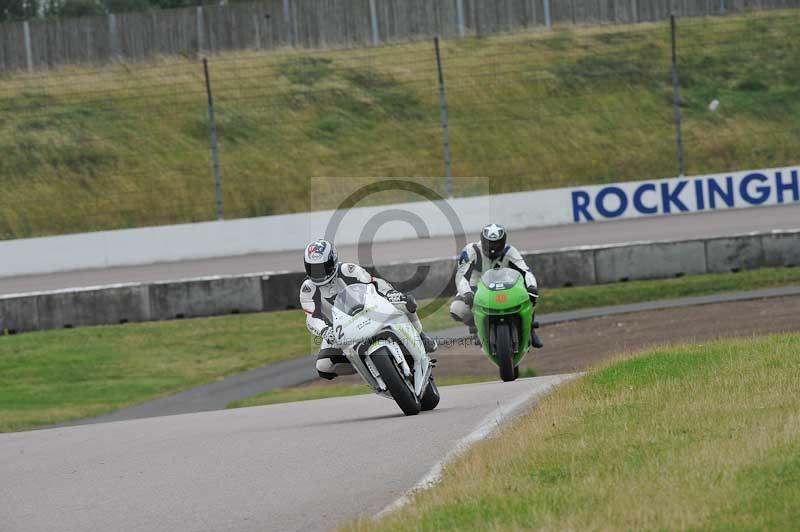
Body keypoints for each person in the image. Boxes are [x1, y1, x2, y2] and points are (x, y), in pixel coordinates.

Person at [300, 239, 438, 380]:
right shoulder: (307, 289)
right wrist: (325, 331)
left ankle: (421, 336)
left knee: (407, 303)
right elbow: (312, 317)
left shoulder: (348, 270)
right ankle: (365, 366)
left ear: (332, 261)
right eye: (313, 268)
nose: (318, 273)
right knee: (323, 366)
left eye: (322, 268)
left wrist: (391, 294)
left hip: (369, 310)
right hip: (338, 330)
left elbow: (374, 283)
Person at [449, 223, 543, 348]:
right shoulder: (471, 251)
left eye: (497, 243)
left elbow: (526, 271)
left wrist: (532, 287)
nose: (493, 247)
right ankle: (476, 326)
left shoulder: (510, 251)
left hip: (506, 287)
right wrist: (466, 292)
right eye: (489, 243)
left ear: (503, 242)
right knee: (457, 309)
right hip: (475, 288)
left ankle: (529, 328)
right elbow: (460, 276)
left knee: (530, 296)